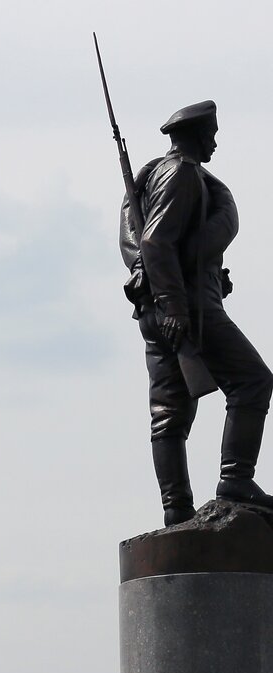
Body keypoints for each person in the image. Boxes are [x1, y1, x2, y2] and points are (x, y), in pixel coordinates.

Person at [119, 100, 273, 526]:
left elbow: (136, 243)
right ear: (196, 136)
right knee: (252, 380)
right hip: (186, 308)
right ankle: (235, 479)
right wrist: (175, 307)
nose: (216, 141)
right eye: (212, 134)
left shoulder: (148, 177)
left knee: (168, 414)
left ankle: (177, 513)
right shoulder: (183, 173)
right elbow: (155, 242)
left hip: (158, 306)